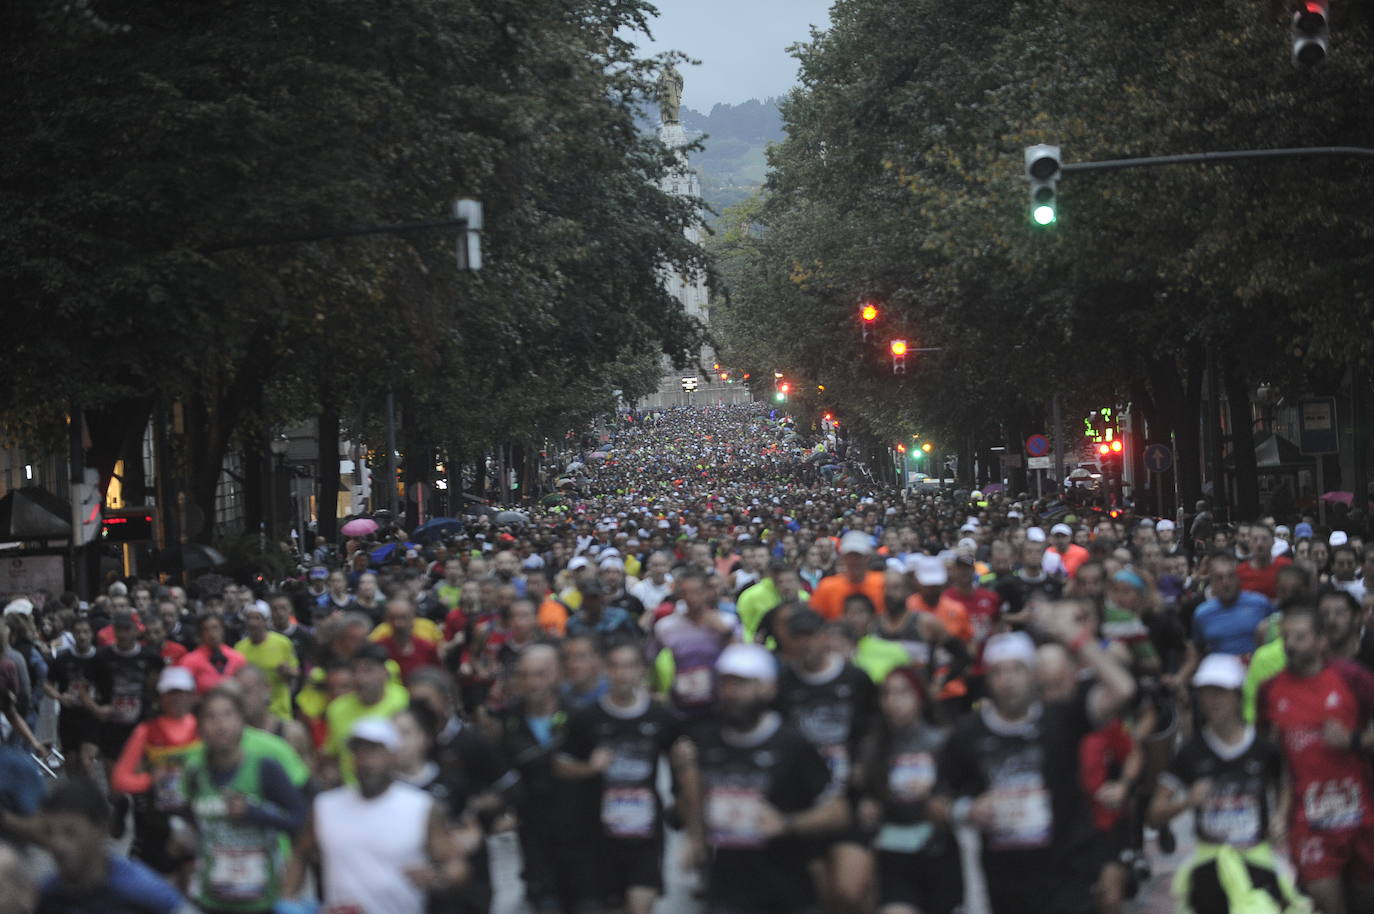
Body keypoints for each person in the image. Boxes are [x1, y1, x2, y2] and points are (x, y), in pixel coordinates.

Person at [939, 604, 1137, 914]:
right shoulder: (968, 734)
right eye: (999, 671)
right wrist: (966, 810)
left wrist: (1076, 637)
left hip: (1067, 868)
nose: (1009, 680)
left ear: (1033, 675)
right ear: (988, 680)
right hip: (1007, 876)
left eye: (1017, 669)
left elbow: (1123, 689)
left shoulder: (1060, 718)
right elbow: (938, 795)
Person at [679, 643, 848, 914]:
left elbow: (838, 811)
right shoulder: (707, 741)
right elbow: (699, 792)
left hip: (785, 887)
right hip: (726, 886)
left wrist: (787, 824)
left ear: (767, 688)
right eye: (726, 684)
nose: (732, 693)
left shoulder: (792, 744)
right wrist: (695, 837)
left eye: (743, 684)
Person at [1148, 654, 1304, 914]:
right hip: (1209, 865)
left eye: (1219, 692)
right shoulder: (1191, 754)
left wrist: (1280, 815)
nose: (1211, 701)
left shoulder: (1263, 750)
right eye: (1205, 693)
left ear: (1237, 695)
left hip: (1256, 860)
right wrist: (1187, 802)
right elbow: (1154, 815)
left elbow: (1285, 782)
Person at [560, 640, 692, 914]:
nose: (623, 674)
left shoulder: (661, 717)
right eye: (616, 667)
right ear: (606, 670)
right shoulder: (587, 718)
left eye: (630, 667)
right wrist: (589, 769)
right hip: (599, 832)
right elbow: (561, 765)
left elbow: (682, 764)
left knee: (640, 906)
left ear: (642, 671)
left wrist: (684, 809)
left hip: (645, 831)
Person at [285, 717, 469, 914]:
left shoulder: (420, 807)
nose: (365, 760)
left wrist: (437, 879)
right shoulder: (325, 807)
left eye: (374, 751)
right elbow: (299, 854)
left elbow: (455, 864)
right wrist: (286, 900)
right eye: (358, 752)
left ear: (392, 756)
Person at [1260, 603, 1374, 914]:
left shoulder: (1353, 679)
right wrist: (1279, 814)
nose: (1290, 645)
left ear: (1321, 641)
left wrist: (1354, 740)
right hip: (1308, 821)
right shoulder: (1270, 691)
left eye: (1300, 637)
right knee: (1327, 904)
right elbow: (1276, 762)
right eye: (1286, 637)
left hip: (1362, 814)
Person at [775, 608, 879, 913]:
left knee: (851, 891)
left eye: (813, 637)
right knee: (823, 896)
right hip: (804, 801)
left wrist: (870, 784)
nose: (808, 646)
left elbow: (874, 732)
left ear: (826, 638)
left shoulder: (855, 679)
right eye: (800, 639)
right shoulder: (784, 685)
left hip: (850, 794)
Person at [179, 686, 306, 914]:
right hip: (210, 898)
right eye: (211, 717)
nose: (220, 725)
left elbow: (299, 820)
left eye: (228, 715)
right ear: (199, 726)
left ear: (242, 721)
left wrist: (254, 813)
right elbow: (185, 819)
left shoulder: (265, 768)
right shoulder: (195, 771)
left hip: (260, 900)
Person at [495, 643, 601, 913]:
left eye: (540, 674)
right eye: (526, 675)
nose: (533, 682)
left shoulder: (581, 716)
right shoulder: (509, 720)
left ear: (557, 674)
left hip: (580, 834)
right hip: (534, 833)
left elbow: (599, 769)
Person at [856, 666, 963, 914]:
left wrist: (943, 799)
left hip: (938, 849)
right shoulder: (873, 746)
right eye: (887, 694)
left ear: (919, 697)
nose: (894, 702)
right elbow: (869, 794)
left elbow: (960, 789)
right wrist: (868, 806)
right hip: (893, 851)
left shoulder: (944, 741)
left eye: (903, 693)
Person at [35, 778, 187, 914]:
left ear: (101, 829)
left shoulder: (142, 891)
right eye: (49, 833)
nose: (57, 844)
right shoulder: (47, 895)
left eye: (70, 832)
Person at [110, 665, 200, 874]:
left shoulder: (203, 728)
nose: (176, 699)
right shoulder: (146, 731)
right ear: (160, 698)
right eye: (170, 693)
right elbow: (120, 779)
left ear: (192, 696)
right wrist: (150, 780)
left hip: (195, 817)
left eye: (181, 693)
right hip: (157, 820)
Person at [323, 643, 410, 785]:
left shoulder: (404, 700)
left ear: (385, 673)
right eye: (355, 671)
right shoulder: (336, 709)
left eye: (368, 670)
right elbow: (333, 755)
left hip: (397, 787)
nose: (360, 678)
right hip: (353, 793)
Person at [233, 603, 298, 722]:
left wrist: (287, 671)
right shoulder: (239, 648)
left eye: (257, 618)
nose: (253, 623)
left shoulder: (282, 643)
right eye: (249, 618)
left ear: (266, 621)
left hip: (280, 712)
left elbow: (295, 672)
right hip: (251, 715)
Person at [810, 531, 886, 621]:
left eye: (858, 556)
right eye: (850, 556)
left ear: (868, 557)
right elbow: (813, 622)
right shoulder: (827, 587)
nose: (854, 560)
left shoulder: (883, 583)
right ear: (842, 558)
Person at [178, 613, 247, 695]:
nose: (211, 633)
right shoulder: (189, 661)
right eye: (206, 629)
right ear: (201, 634)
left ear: (222, 629)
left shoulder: (237, 658)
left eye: (215, 628)